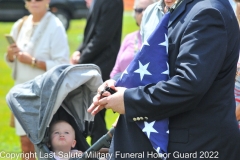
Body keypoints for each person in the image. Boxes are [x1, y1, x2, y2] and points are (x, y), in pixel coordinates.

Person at [88, 0, 240, 159]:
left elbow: (189, 85)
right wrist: (119, 83)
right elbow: (155, 67)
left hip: (197, 145)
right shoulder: (187, 8)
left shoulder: (207, 12)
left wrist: (129, 100)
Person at [5, 0, 69, 158]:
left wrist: (33, 61)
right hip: (21, 94)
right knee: (25, 146)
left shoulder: (56, 26)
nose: (33, 2)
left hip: (43, 96)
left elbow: (62, 65)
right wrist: (11, 56)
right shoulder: (20, 24)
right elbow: (10, 62)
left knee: (45, 147)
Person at [70, 0, 123, 144]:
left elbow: (102, 37)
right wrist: (79, 51)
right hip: (92, 65)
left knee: (95, 114)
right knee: (92, 117)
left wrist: (81, 59)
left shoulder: (113, 2)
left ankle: (101, 150)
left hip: (102, 68)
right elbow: (90, 33)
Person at [110, 0, 157, 80]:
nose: (143, 13)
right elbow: (116, 71)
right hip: (119, 86)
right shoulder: (129, 38)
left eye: (148, 9)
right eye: (139, 10)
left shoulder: (161, 39)